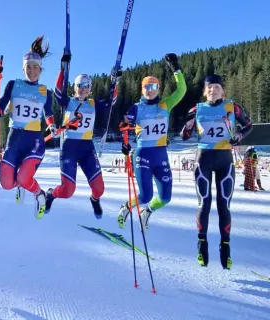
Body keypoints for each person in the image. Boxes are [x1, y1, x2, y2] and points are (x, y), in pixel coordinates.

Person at [180, 74, 253, 269]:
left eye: (217, 87)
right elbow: (185, 136)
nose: (213, 90)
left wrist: (238, 136)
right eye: (209, 88)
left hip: (225, 161)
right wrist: (187, 124)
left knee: (224, 206)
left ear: (223, 90)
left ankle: (225, 247)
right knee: (204, 203)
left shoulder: (231, 107)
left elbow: (248, 125)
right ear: (205, 91)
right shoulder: (197, 109)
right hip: (203, 159)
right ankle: (202, 245)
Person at [117, 53, 187, 231]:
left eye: (154, 86)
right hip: (143, 155)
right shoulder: (136, 108)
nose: (151, 90)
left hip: (160, 155)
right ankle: (126, 207)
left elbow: (181, 91)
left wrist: (175, 68)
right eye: (147, 86)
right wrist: (125, 143)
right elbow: (124, 128)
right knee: (145, 195)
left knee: (165, 198)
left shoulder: (165, 105)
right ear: (142, 89)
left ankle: (147, 212)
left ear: (159, 88)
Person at [0, 36, 55, 219]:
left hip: (34, 140)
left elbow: (49, 113)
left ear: (41, 69)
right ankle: (21, 185)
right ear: (23, 68)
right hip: (14, 138)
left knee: (23, 178)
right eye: (28, 67)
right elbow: (1, 105)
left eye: (35, 67)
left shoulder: (44, 90)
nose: (32, 70)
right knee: (6, 183)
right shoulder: (13, 85)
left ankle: (39, 194)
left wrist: (52, 126)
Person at [44, 53, 105, 218]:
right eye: (80, 85)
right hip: (69, 148)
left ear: (90, 88)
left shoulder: (94, 104)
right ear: (75, 87)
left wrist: (116, 81)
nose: (83, 88)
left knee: (99, 189)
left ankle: (94, 199)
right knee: (67, 190)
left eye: (86, 85)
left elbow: (112, 102)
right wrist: (62, 69)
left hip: (87, 148)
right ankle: (51, 194)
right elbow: (57, 91)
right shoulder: (67, 101)